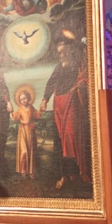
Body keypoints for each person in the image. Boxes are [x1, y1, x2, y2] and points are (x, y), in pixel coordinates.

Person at [40, 38, 91, 189]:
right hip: (58, 103)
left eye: (63, 52)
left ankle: (78, 172)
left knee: (70, 135)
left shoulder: (77, 64)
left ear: (69, 51)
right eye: (59, 53)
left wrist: (82, 84)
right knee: (61, 140)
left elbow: (85, 78)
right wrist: (44, 100)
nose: (61, 55)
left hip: (72, 101)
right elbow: (51, 82)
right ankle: (66, 175)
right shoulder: (59, 67)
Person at [10, 90, 41, 180]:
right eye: (21, 99)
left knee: (30, 150)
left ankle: (31, 171)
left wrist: (41, 111)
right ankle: (23, 170)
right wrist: (11, 112)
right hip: (23, 130)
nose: (23, 100)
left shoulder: (31, 107)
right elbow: (15, 117)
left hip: (30, 130)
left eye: (25, 98)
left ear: (28, 98)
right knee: (24, 151)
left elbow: (36, 115)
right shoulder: (20, 108)